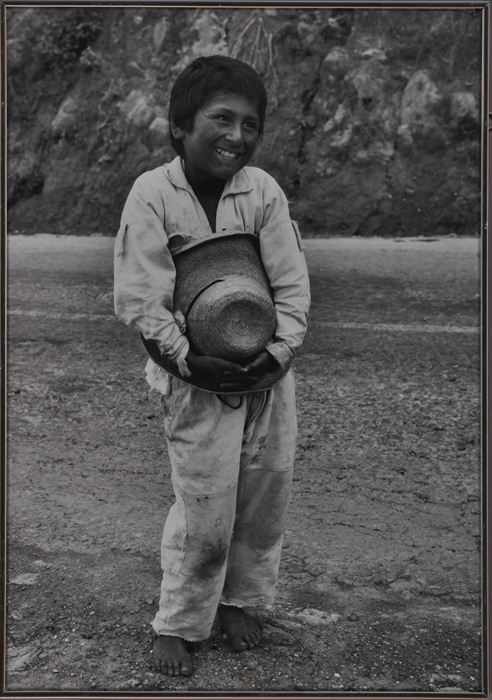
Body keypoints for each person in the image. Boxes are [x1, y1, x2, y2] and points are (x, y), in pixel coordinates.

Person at [113, 55, 310, 677]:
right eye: (221, 119)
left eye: (251, 124)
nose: (237, 135)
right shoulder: (153, 194)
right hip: (189, 374)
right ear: (180, 126)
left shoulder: (263, 192)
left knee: (265, 486)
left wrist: (275, 356)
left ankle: (241, 602)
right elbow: (144, 299)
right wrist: (190, 362)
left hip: (268, 374)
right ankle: (179, 621)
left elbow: (291, 286)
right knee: (205, 498)